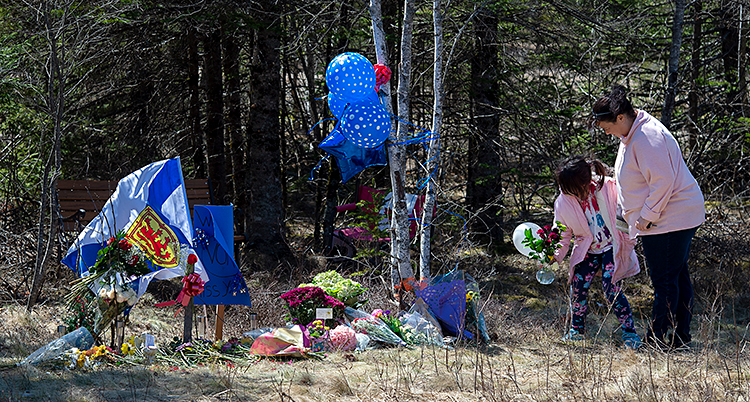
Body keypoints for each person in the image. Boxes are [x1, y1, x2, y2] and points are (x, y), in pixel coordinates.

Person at [590, 85, 705, 350]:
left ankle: (657, 340)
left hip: (669, 219)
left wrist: (645, 218)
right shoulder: (632, 133)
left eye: (604, 124)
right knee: (676, 277)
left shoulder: (647, 136)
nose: (604, 130)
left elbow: (662, 182)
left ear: (620, 117)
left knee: (665, 282)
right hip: (667, 218)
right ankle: (680, 338)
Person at [553, 155, 642, 348]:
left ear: (586, 181)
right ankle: (576, 330)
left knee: (611, 287)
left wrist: (628, 241)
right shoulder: (563, 202)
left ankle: (630, 334)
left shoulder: (608, 188)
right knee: (578, 286)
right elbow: (562, 233)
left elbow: (625, 213)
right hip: (587, 250)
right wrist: (555, 254)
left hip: (612, 245)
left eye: (577, 189)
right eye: (570, 191)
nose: (577, 194)